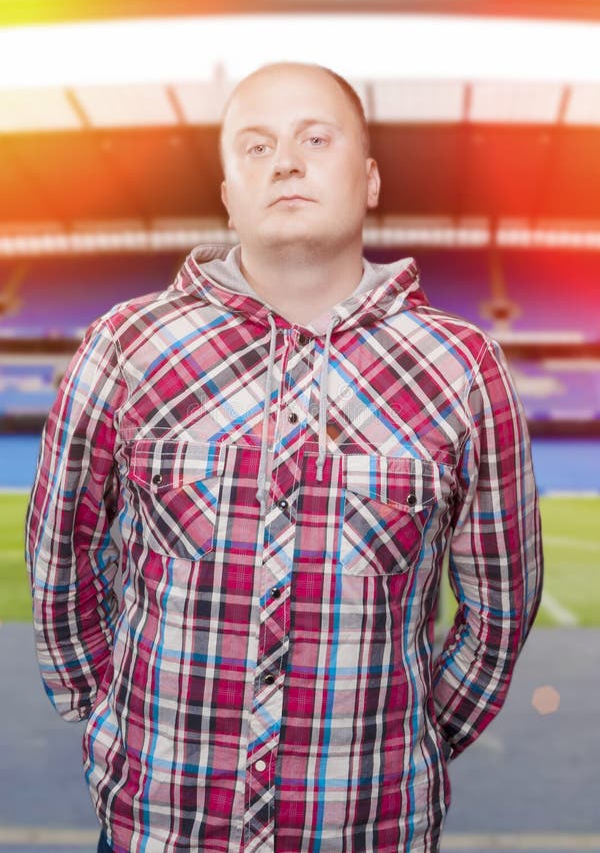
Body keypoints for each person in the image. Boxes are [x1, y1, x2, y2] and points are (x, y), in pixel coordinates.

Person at [25, 60, 543, 853]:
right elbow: (61, 561)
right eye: (256, 147)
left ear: (368, 180)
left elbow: (499, 611)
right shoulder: (124, 348)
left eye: (315, 138)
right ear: (229, 193)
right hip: (157, 830)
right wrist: (112, 717)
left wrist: (413, 740)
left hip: (371, 830)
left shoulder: (463, 368)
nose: (287, 162)